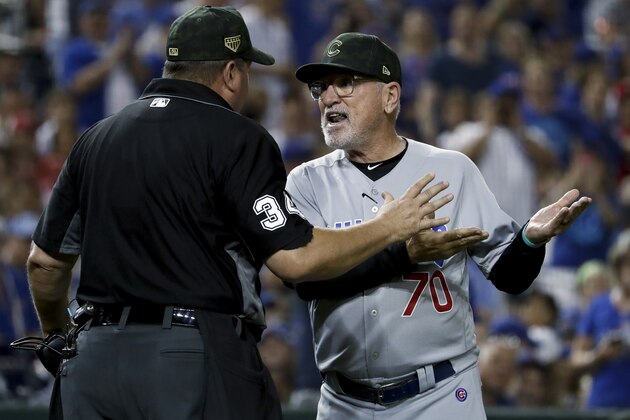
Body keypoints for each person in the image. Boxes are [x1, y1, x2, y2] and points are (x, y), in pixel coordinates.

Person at [25, 7, 454, 420]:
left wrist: (56, 334)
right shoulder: (236, 137)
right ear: (231, 72)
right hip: (189, 360)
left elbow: (44, 265)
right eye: (246, 70)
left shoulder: (96, 138)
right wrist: (388, 227)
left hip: (91, 362)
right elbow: (296, 259)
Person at [286, 32, 592, 419]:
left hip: (441, 396)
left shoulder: (450, 169)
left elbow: (509, 275)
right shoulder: (305, 182)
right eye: (321, 87)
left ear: (390, 97)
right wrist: (405, 254)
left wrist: (529, 241)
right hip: (343, 401)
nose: (328, 98)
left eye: (346, 83)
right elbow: (308, 281)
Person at [569, 228, 630, 409]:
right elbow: (576, 359)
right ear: (617, 266)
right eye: (627, 262)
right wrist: (599, 355)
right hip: (603, 402)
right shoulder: (599, 305)